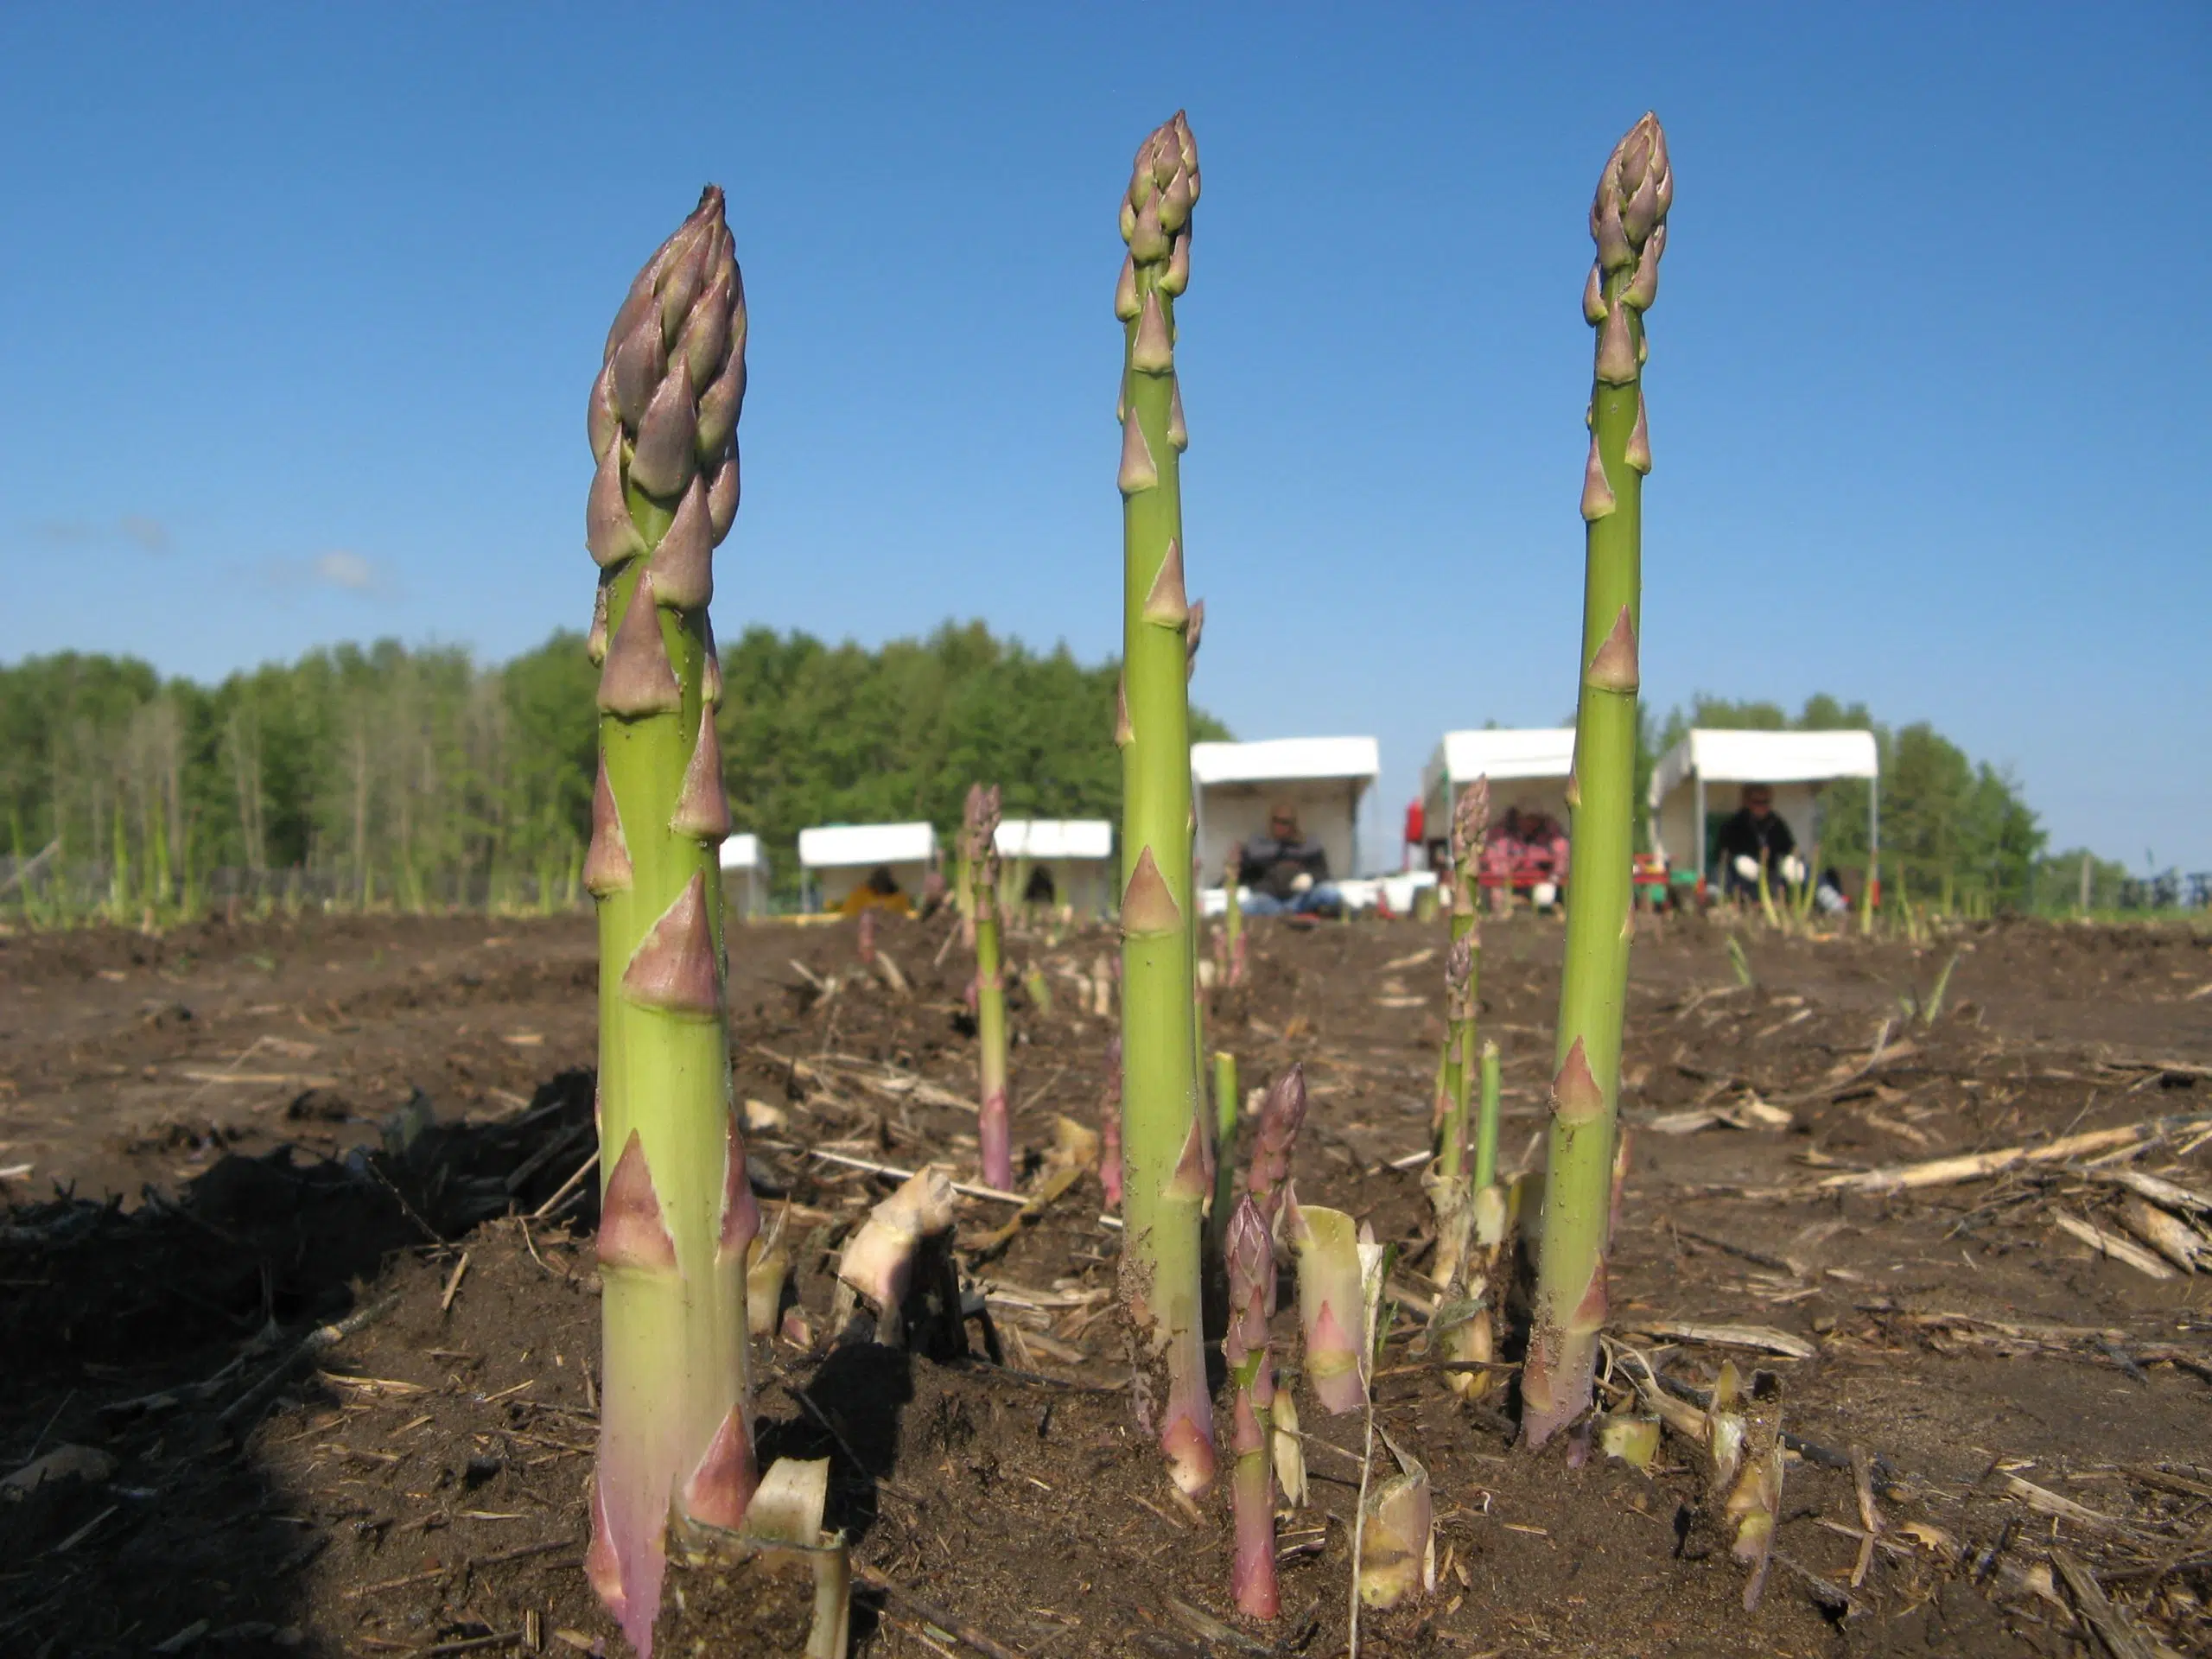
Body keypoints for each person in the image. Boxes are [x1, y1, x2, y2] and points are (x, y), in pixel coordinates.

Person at [1236, 804, 1342, 918]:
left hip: (1302, 899)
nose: (1279, 826)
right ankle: (1285, 918)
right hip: (1271, 901)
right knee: (1248, 906)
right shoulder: (1258, 847)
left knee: (1330, 893)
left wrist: (1309, 878)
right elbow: (1247, 877)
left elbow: (1323, 873)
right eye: (1276, 821)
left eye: (1285, 822)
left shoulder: (1309, 845)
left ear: (1293, 824)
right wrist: (1239, 861)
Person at [1714, 785, 1805, 899]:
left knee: (1808, 872)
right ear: (1746, 802)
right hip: (1742, 878)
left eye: (1766, 802)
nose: (1762, 806)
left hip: (1771, 875)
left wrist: (1792, 860)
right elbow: (1723, 854)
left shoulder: (1776, 823)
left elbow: (1790, 848)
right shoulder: (1734, 825)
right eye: (1757, 802)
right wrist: (1738, 860)